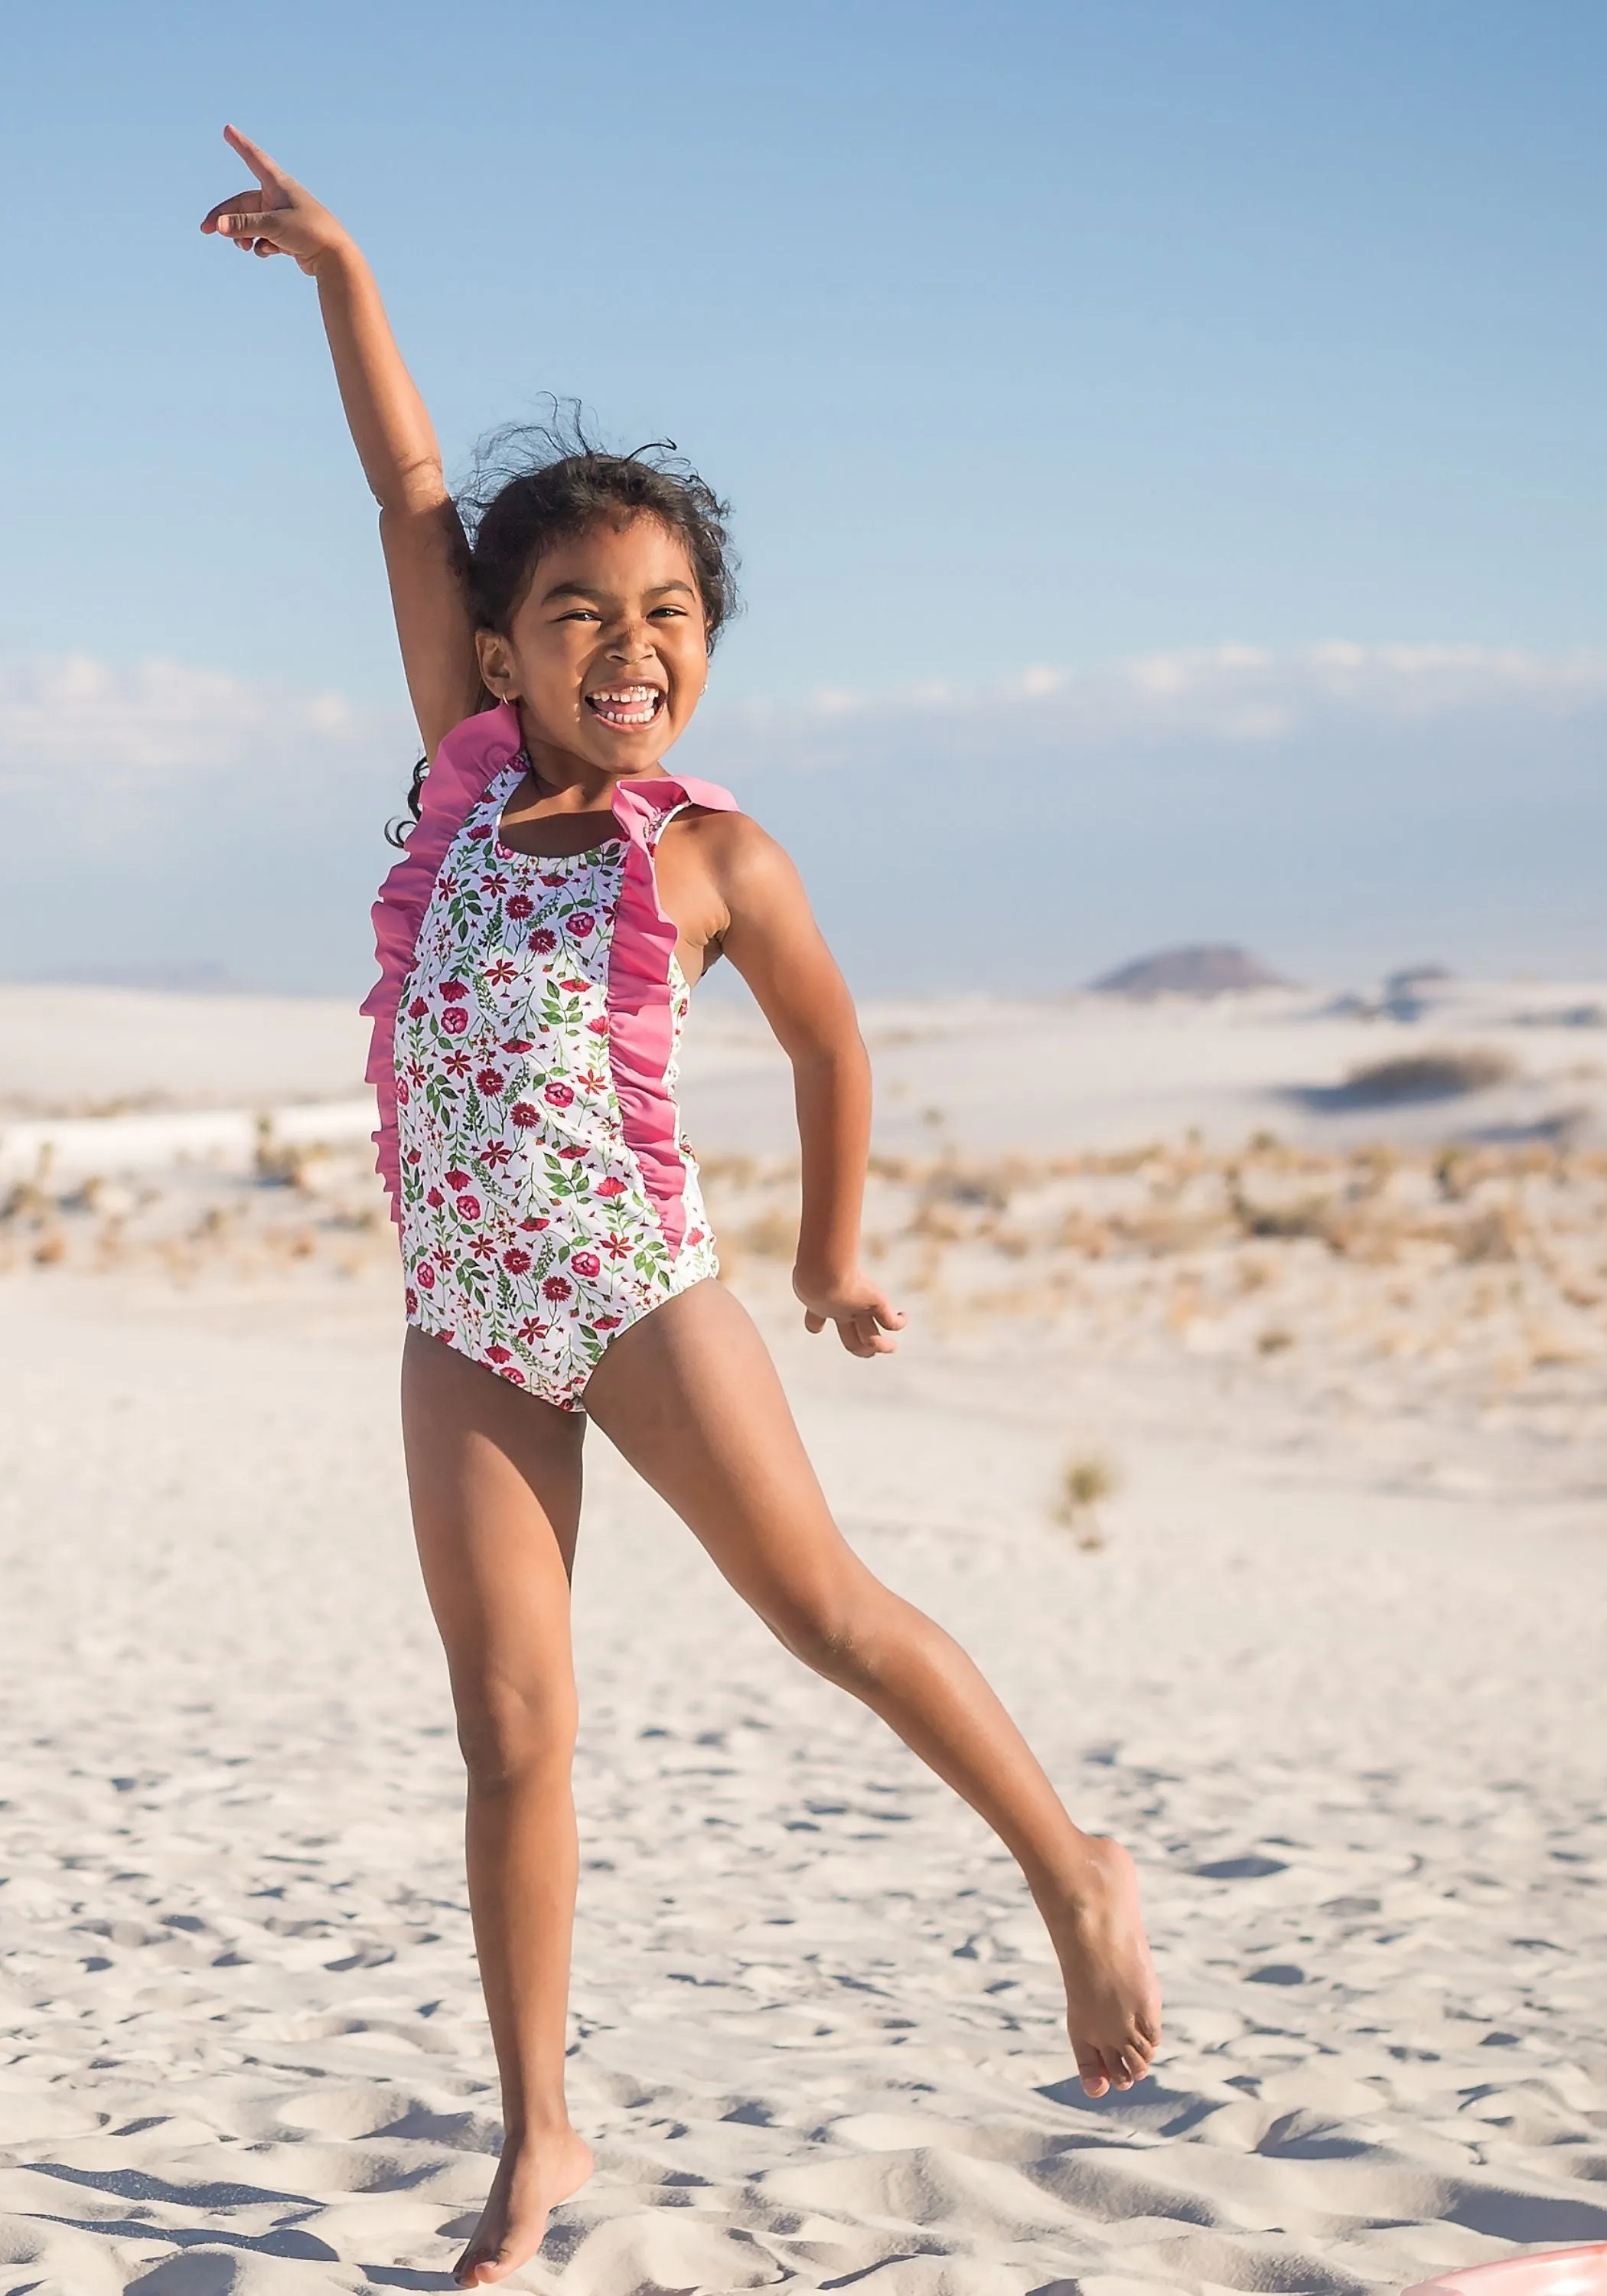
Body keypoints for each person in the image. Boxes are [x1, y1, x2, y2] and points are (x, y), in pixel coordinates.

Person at [201, 126, 1160, 2290]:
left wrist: (829, 1256)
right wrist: (342, 267)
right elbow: (406, 491)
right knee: (511, 1732)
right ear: (501, 651)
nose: (630, 648)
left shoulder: (715, 855)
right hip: (464, 1315)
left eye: (670, 617)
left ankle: (1072, 1864)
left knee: (823, 1610)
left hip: (636, 1289)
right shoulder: (460, 780)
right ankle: (537, 2144)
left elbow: (830, 1046)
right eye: (579, 617)